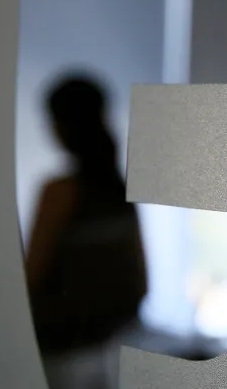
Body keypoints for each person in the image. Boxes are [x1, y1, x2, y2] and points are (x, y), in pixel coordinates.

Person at [26, 74, 148, 389]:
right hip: (113, 345)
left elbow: (32, 276)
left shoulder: (59, 193)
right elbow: (140, 279)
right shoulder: (118, 191)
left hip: (63, 353)